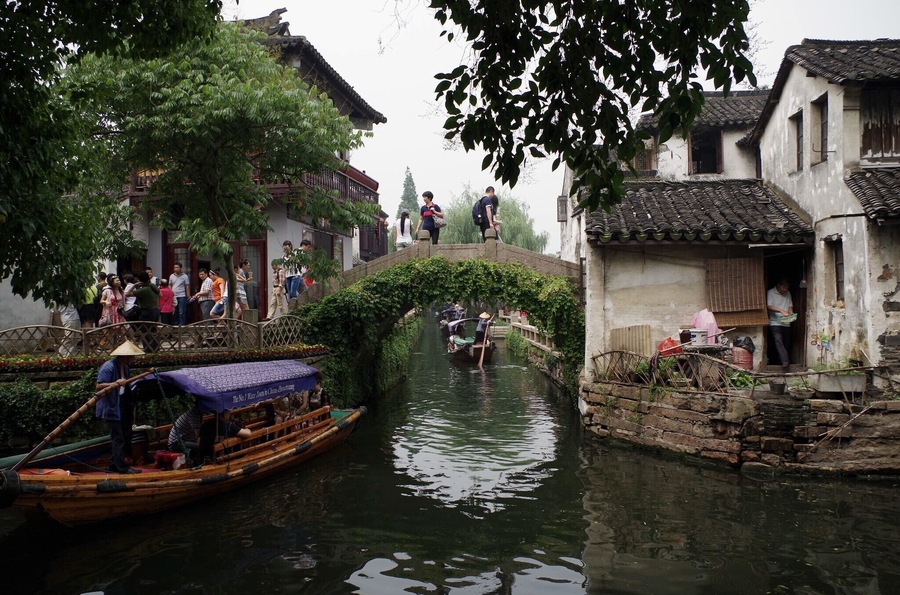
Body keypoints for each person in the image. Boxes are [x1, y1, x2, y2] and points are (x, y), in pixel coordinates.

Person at [95, 340, 145, 474]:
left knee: (127, 436)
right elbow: (99, 386)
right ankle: (122, 467)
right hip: (112, 407)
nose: (134, 359)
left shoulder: (126, 368)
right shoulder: (109, 367)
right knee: (118, 438)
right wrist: (114, 383)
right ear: (125, 356)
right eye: (132, 356)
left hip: (122, 406)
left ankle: (113, 465)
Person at [767, 279, 794, 372]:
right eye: (783, 287)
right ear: (778, 285)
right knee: (778, 341)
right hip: (775, 322)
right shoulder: (771, 292)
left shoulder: (788, 293)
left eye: (787, 288)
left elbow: (790, 306)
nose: (785, 289)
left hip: (786, 322)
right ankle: (785, 362)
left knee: (786, 343)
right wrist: (781, 310)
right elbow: (769, 306)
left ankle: (781, 362)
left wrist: (790, 312)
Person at [132, 271, 161, 352]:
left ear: (139, 280)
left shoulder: (144, 290)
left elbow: (127, 294)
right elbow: (160, 294)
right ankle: (155, 348)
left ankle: (148, 349)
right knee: (154, 330)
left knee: (145, 331)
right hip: (156, 310)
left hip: (147, 311)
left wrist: (134, 285)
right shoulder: (152, 286)